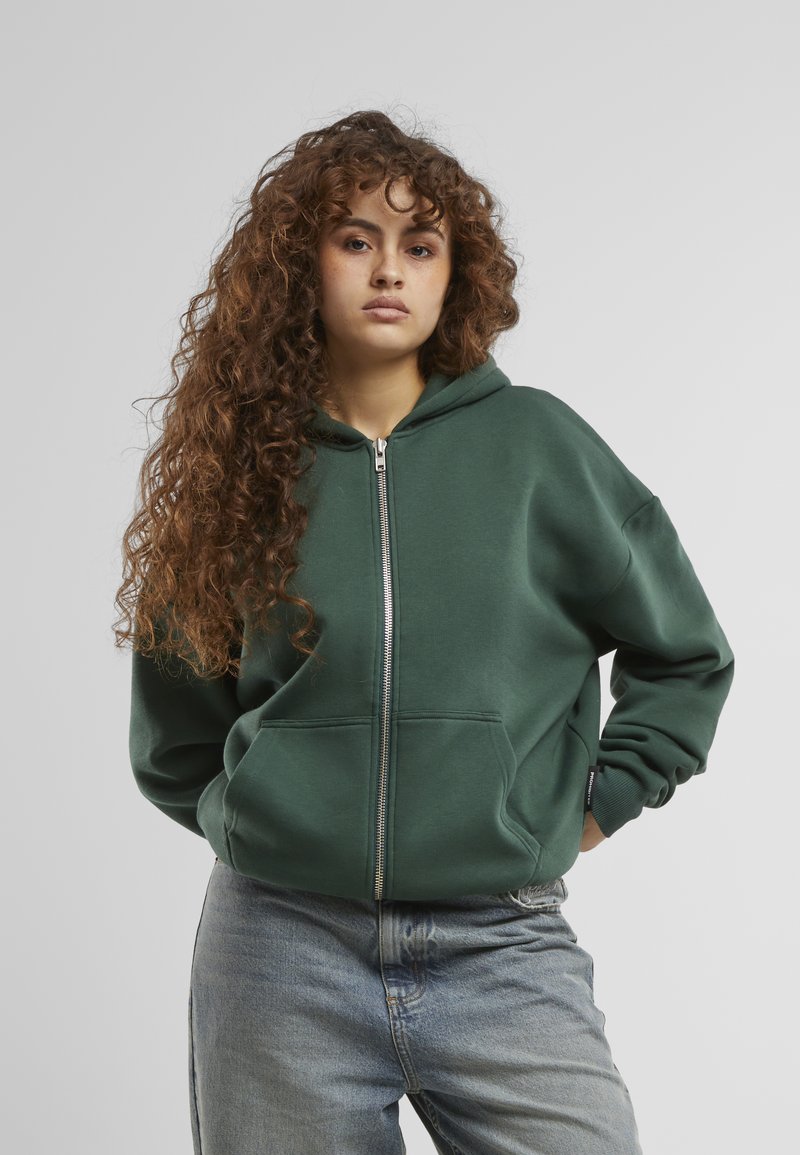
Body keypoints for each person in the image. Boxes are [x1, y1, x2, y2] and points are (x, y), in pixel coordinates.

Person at [116, 109, 735, 1155]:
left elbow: (685, 653)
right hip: (280, 948)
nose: (388, 269)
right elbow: (175, 732)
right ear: (299, 265)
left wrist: (596, 802)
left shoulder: (537, 447)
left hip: (501, 938)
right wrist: (263, 817)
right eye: (355, 239)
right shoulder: (239, 473)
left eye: (421, 245)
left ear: (458, 274)